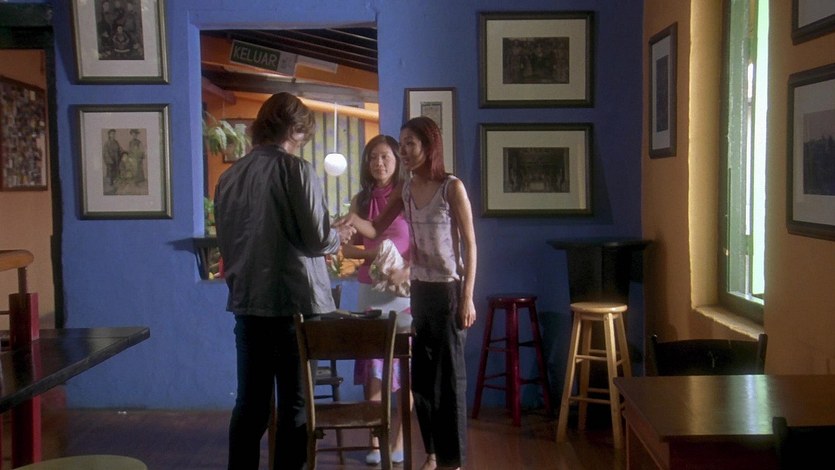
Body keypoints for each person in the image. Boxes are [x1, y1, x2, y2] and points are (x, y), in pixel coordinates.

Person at [214, 92, 355, 470]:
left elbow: (227, 245)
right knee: (296, 408)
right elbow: (316, 239)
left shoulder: (229, 178)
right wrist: (338, 234)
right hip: (296, 306)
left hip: (248, 304)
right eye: (303, 134)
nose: (303, 141)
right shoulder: (296, 169)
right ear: (294, 129)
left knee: (251, 406)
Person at [337, 116, 478, 470]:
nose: (404, 151)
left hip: (449, 290)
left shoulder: (452, 187)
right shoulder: (406, 190)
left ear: (429, 145)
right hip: (419, 292)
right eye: (402, 144)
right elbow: (375, 228)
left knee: (450, 380)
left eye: (410, 144)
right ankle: (432, 454)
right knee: (422, 381)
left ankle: (452, 460)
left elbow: (471, 246)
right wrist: (351, 220)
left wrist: (467, 297)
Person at [340, 134, 410, 465]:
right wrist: (379, 256)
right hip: (370, 290)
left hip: (403, 293)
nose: (378, 163)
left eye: (385, 157)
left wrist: (404, 268)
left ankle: (399, 441)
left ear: (397, 161)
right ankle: (375, 441)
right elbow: (347, 249)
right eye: (372, 157)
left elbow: (420, 246)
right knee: (373, 369)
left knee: (404, 368)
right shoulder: (360, 200)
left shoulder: (407, 196)